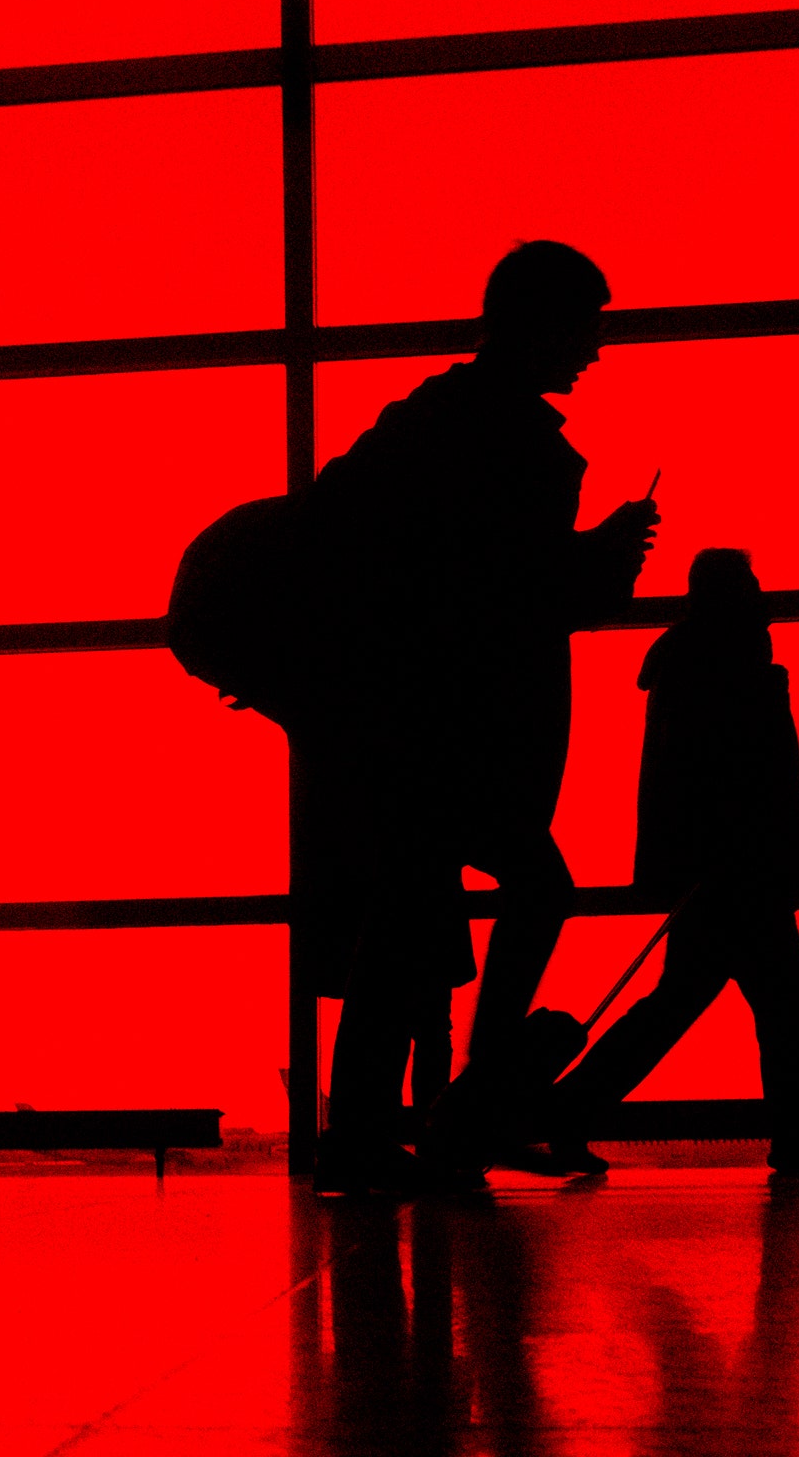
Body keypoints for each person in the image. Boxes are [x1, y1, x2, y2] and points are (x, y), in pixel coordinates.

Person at [294, 240, 658, 1192]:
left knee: (414, 914)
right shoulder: (519, 447)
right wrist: (606, 558)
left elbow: (435, 563)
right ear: (540, 324)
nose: (593, 350)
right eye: (585, 328)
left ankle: (383, 1124)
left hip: (404, 722)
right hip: (465, 729)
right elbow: (522, 596)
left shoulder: (426, 421)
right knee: (522, 893)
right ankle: (464, 1104)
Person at [542, 549, 799, 1175]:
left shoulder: (692, 664)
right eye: (750, 583)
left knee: (698, 998)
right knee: (782, 990)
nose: (760, 595)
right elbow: (759, 775)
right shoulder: (726, 668)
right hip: (739, 866)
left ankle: (570, 1108)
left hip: (717, 866)